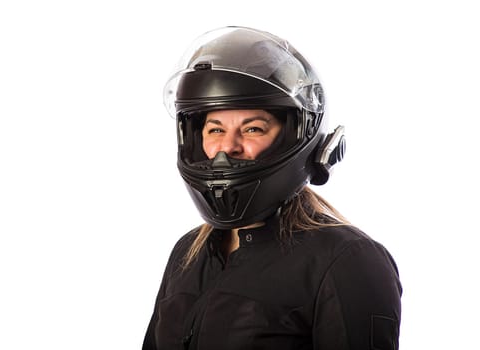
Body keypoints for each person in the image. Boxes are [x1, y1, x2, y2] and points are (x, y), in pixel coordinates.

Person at [143, 26, 402, 350]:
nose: (228, 147)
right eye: (215, 128)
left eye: (252, 128)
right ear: (196, 139)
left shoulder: (347, 260)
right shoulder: (187, 253)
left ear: (292, 135)